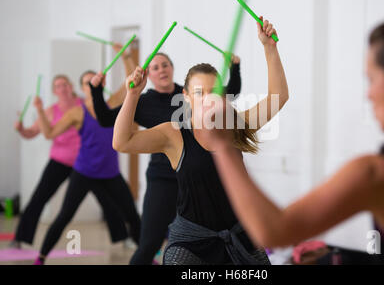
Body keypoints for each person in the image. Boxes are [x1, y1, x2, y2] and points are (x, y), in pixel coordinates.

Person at [200, 15, 384, 264]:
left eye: (372, 80)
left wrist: (222, 145)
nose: (369, 94)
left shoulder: (379, 173)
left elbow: (273, 231)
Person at [113, 17, 288, 264]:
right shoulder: (174, 134)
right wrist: (132, 95)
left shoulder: (234, 125)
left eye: (213, 91)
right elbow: (122, 142)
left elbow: (278, 97)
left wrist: (270, 48)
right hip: (191, 244)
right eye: (199, 92)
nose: (207, 98)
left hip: (239, 236)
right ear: (185, 97)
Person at [89, 52, 242, 264]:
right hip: (163, 179)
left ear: (172, 68)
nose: (161, 70)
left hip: (195, 179)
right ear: (148, 75)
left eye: (165, 65)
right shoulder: (143, 102)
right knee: (150, 244)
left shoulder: (191, 94)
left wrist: (235, 67)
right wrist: (96, 90)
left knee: (214, 242)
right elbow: (106, 119)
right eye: (155, 67)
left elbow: (229, 92)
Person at [32, 46, 141, 265]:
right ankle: (41, 257)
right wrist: (41, 111)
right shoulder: (77, 111)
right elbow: (49, 133)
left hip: (110, 172)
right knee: (65, 215)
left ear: (102, 83)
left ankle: (148, 257)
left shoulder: (112, 103)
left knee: (132, 214)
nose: (92, 85)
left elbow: (133, 81)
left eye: (96, 80)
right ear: (81, 88)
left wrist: (126, 55)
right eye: (87, 82)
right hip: (84, 171)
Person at [11, 75, 83, 248]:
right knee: (39, 198)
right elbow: (31, 132)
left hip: (84, 162)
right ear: (54, 91)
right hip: (59, 160)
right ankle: (20, 238)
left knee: (109, 197)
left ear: (71, 86)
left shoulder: (84, 104)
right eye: (58, 86)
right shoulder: (51, 110)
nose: (63, 88)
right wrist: (21, 129)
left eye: (65, 84)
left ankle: (127, 237)